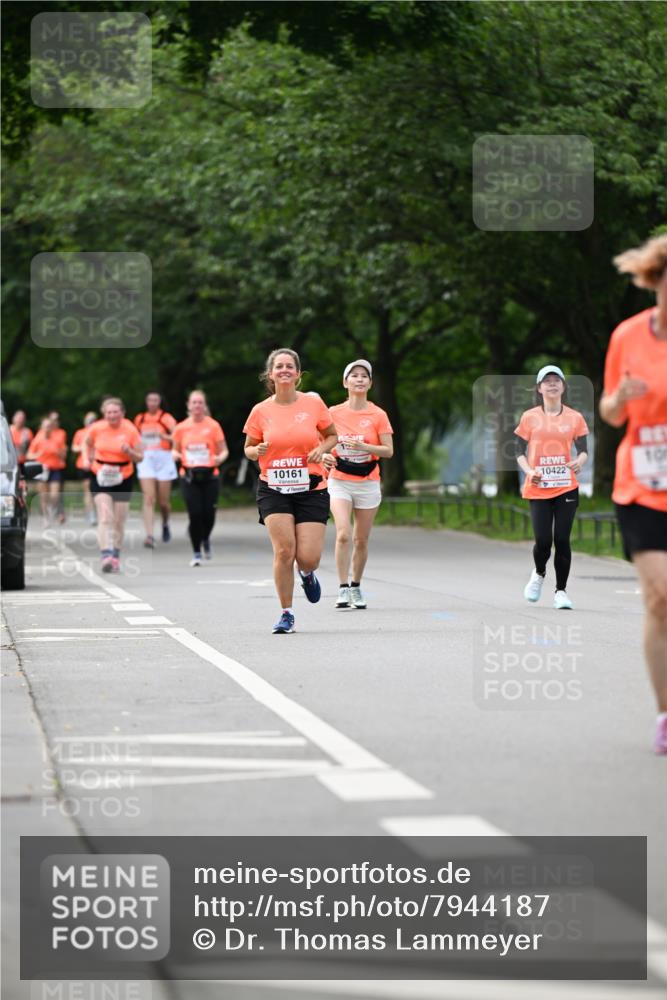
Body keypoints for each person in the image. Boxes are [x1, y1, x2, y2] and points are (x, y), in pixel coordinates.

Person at [600, 234, 667, 755]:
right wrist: (620, 397)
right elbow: (610, 413)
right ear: (654, 281)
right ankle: (666, 716)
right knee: (661, 598)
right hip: (643, 483)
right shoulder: (628, 336)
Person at [243, 349, 337, 634]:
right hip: (274, 488)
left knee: (308, 556)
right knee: (284, 551)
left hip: (311, 487)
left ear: (298, 374)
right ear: (270, 374)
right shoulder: (260, 410)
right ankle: (286, 613)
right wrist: (255, 450)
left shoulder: (313, 403)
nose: (284, 370)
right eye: (279, 366)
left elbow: (333, 435)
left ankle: (306, 573)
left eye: (289, 366)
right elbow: (248, 447)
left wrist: (321, 450)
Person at [514, 365, 589, 609]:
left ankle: (561, 592)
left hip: (566, 486)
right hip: (538, 486)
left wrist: (579, 462)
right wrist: (530, 471)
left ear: (563, 387)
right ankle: (538, 573)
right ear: (539, 388)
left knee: (562, 538)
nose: (552, 384)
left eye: (557, 380)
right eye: (547, 381)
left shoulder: (575, 417)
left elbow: (584, 451)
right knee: (544, 540)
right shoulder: (529, 417)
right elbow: (518, 451)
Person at [325, 359, 393, 609]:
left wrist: (364, 446)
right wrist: (324, 454)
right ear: (345, 382)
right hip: (340, 480)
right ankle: (342, 588)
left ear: (370, 383)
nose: (359, 379)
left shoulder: (378, 415)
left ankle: (356, 586)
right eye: (354, 375)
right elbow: (319, 442)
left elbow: (388, 451)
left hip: (368, 481)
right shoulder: (332, 413)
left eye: (364, 376)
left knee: (360, 540)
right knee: (343, 533)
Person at [85, 397, 143, 572]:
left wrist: (129, 451)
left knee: (119, 520)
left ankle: (116, 554)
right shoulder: (96, 428)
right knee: (105, 517)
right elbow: (86, 444)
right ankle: (105, 556)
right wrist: (87, 458)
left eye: (115, 412)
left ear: (122, 413)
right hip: (100, 475)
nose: (112, 416)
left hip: (123, 476)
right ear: (104, 414)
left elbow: (140, 457)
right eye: (109, 412)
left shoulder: (130, 429)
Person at [172, 390, 228, 567]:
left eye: (200, 402)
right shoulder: (181, 427)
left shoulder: (213, 426)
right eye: (194, 402)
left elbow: (224, 450)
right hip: (189, 476)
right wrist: (175, 455)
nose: (197, 406)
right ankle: (196, 551)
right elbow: (174, 449)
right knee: (195, 514)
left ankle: (205, 538)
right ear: (188, 405)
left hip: (211, 475)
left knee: (209, 514)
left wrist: (221, 458)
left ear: (204, 406)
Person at [134, 392, 178, 548]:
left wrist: (163, 436)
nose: (152, 403)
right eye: (149, 400)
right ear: (146, 402)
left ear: (160, 402)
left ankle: (165, 522)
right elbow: (134, 439)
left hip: (164, 458)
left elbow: (178, 437)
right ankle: (150, 535)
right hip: (146, 458)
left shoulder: (166, 418)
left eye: (155, 400)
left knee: (163, 502)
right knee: (148, 498)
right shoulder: (140, 419)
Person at [27, 413, 68, 523]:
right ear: (42, 427)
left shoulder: (58, 438)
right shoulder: (38, 438)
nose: (48, 428)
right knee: (43, 495)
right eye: (45, 426)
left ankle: (52, 509)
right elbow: (29, 455)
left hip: (55, 469)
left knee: (54, 495)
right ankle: (45, 518)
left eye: (49, 426)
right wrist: (37, 455)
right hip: (42, 469)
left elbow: (64, 455)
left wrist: (59, 452)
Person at [71, 411, 98, 524]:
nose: (90, 421)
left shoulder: (98, 432)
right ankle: (91, 514)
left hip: (98, 465)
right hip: (83, 465)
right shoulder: (80, 433)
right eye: (89, 419)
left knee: (97, 491)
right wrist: (82, 449)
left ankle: (95, 512)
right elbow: (74, 447)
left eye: (93, 419)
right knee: (88, 490)